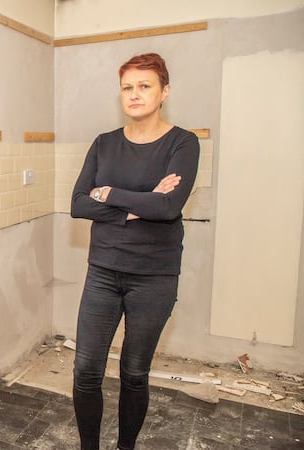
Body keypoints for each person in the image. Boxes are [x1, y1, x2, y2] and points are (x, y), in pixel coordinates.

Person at [69, 52, 200, 450]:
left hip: (154, 277)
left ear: (164, 92)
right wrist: (136, 206)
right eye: (128, 87)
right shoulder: (104, 143)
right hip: (103, 272)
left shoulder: (183, 143)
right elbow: (77, 203)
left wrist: (109, 195)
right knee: (85, 369)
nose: (135, 94)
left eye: (145, 86)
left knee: (134, 372)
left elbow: (167, 207)